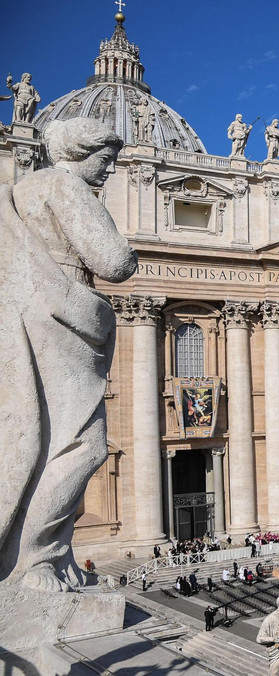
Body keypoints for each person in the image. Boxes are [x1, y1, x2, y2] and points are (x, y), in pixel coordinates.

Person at [0, 118, 137, 592]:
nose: (109, 171)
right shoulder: (67, 187)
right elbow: (114, 261)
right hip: (67, 318)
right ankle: (37, 559)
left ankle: (44, 557)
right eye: (105, 160)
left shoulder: (23, 188)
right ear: (80, 152)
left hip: (33, 317)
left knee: (41, 441)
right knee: (84, 445)